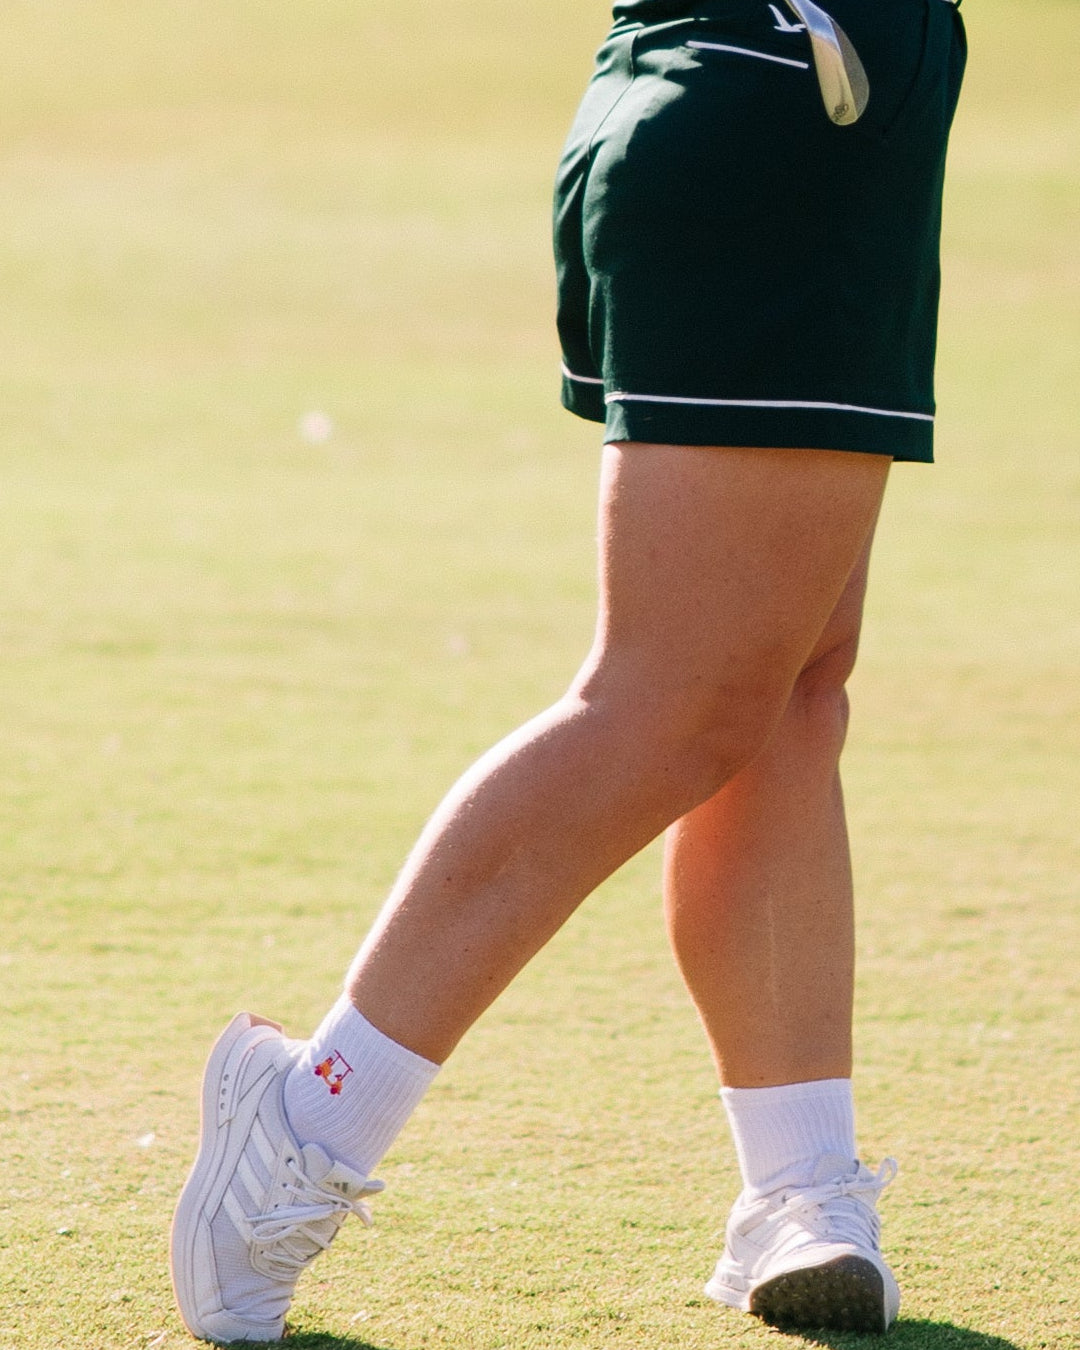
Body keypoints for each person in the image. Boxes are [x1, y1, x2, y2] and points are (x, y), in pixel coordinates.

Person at [170, 0, 966, 1341]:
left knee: (786, 690)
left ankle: (798, 1183)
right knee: (673, 702)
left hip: (829, 114)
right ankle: (309, 1109)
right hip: (772, 95)